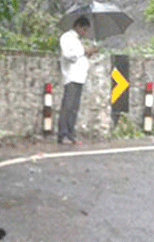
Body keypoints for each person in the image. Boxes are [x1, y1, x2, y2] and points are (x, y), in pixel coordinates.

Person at [58, 16, 97, 145]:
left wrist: (87, 54)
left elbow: (78, 56)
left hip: (80, 77)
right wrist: (83, 51)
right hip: (71, 76)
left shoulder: (77, 40)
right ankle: (63, 134)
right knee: (68, 107)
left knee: (74, 108)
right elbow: (68, 55)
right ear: (78, 27)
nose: (85, 33)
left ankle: (71, 133)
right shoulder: (67, 38)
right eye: (84, 30)